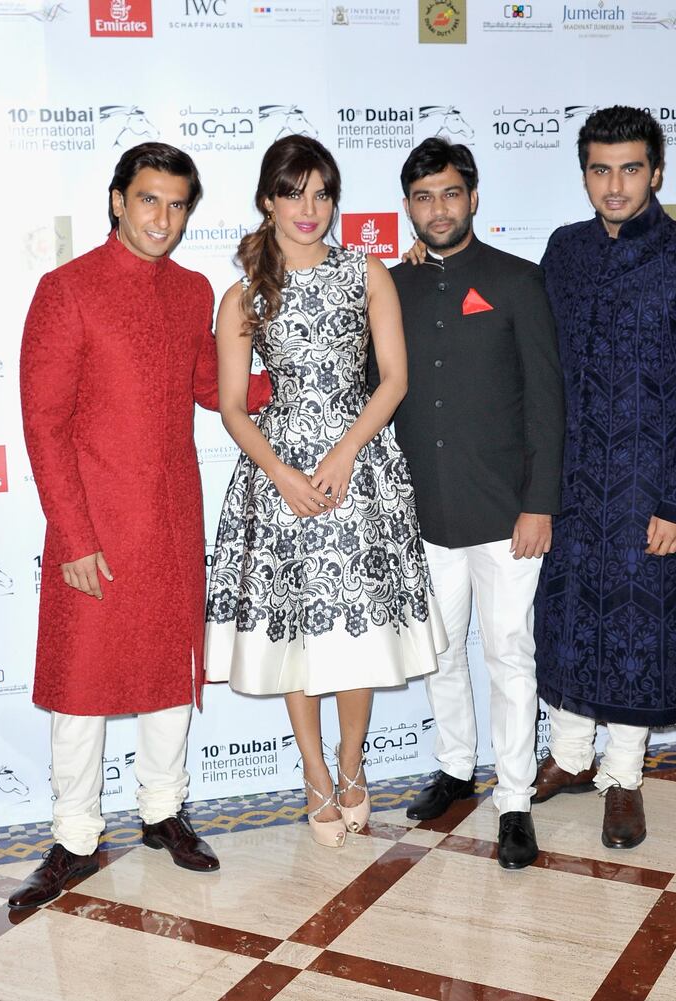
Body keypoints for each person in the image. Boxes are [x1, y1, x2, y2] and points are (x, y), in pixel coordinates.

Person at [205, 135, 445, 847]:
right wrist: (280, 472)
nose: (308, 209)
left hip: (359, 467)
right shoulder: (242, 293)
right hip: (278, 476)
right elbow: (231, 407)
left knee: (359, 629)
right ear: (267, 200)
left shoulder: (365, 273)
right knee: (299, 636)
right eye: (293, 192)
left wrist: (345, 451)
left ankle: (352, 767)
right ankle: (313, 774)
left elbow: (394, 378)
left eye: (321, 194)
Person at [9, 143, 228, 910]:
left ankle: (163, 810)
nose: (162, 219)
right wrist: (71, 536)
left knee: (171, 674)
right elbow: (44, 423)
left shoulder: (195, 289)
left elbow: (210, 384)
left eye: (176, 204)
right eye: (148, 201)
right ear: (116, 201)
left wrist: (298, 371)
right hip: (93, 527)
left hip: (172, 522)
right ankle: (73, 836)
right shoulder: (66, 290)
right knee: (83, 689)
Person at [533, 106, 676, 849]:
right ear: (584, 173)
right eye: (599, 169)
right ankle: (568, 757)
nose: (613, 186)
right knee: (565, 623)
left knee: (635, 630)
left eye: (628, 169)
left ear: (656, 172)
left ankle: (623, 779)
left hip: (650, 488)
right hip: (571, 483)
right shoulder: (564, 251)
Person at [374, 138, 565, 869]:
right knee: (440, 650)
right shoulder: (389, 286)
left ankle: (513, 798)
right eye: (423, 197)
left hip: (509, 514)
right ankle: (457, 766)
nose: (439, 209)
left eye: (451, 194)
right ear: (409, 207)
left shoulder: (518, 280)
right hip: (423, 514)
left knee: (510, 654)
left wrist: (539, 502)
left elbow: (548, 402)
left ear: (474, 197)